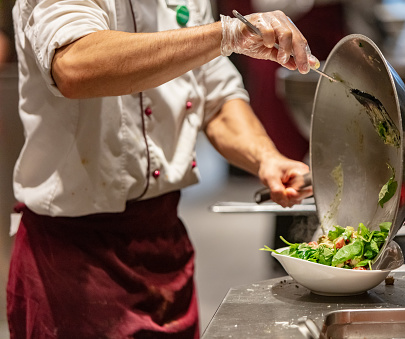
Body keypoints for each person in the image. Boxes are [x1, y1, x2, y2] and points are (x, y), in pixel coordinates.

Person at [7, 1, 316, 338]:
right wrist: (224, 34)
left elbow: (215, 94)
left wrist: (265, 158)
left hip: (165, 247)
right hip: (72, 258)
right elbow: (74, 64)